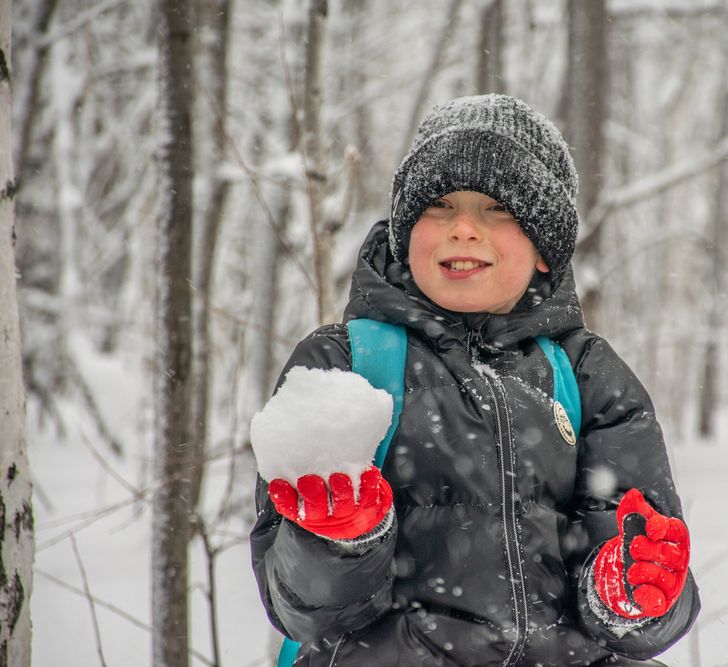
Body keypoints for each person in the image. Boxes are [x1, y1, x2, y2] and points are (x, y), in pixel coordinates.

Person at [250, 94, 700, 666]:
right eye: (439, 204)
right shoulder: (345, 364)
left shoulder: (587, 376)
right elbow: (301, 609)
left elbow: (647, 578)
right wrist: (339, 542)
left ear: (545, 248)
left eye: (498, 208)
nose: (463, 228)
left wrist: (630, 591)